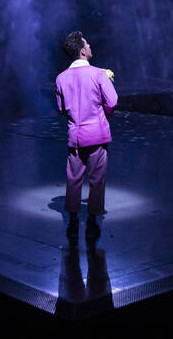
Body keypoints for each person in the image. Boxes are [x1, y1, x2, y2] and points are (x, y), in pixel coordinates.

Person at [55, 30, 118, 242]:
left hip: (76, 136)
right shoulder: (98, 74)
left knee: (73, 179)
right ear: (83, 51)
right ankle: (92, 221)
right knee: (96, 179)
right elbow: (113, 101)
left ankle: (72, 219)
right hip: (97, 135)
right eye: (88, 45)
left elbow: (62, 108)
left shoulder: (61, 78)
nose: (91, 47)